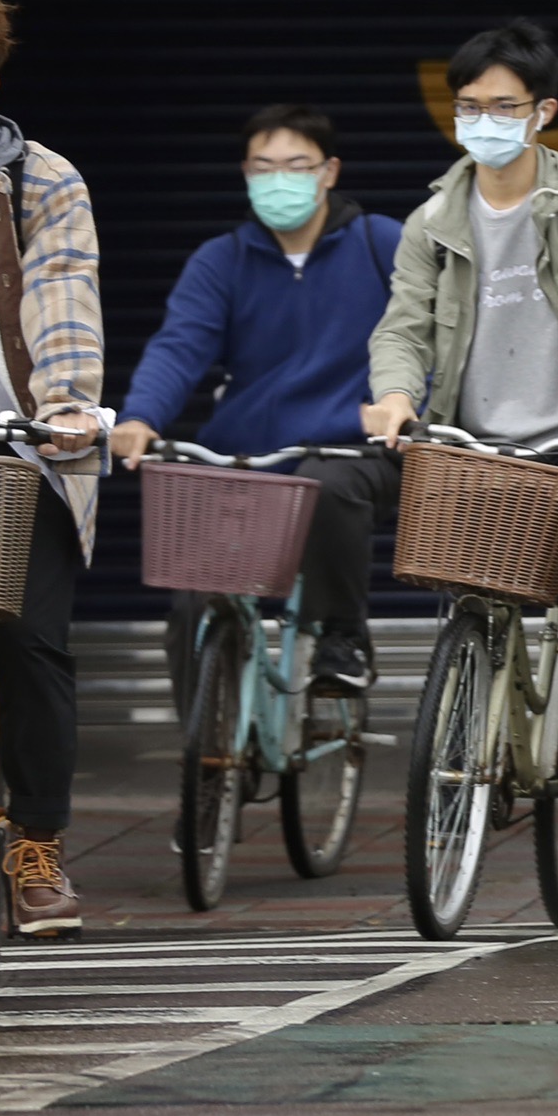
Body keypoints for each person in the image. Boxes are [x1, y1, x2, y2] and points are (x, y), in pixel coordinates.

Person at [340, 21, 558, 752]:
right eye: (469, 107)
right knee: (452, 565)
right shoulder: (432, 222)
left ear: (543, 112)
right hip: (474, 445)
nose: (483, 123)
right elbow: (401, 330)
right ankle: (473, 699)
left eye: (503, 106)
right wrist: (396, 395)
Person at [110, 105, 403, 708]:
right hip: (246, 453)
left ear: (329, 172)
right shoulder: (222, 260)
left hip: (352, 445)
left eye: (297, 166)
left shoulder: (383, 243)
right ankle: (206, 752)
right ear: (245, 172)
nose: (280, 180)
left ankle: (341, 637)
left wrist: (399, 404)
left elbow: (426, 335)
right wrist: (140, 418)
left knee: (330, 482)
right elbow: (179, 346)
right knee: (193, 594)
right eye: (264, 167)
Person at [0, 0, 108, 935]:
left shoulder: (36, 179)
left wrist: (71, 404)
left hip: (18, 448)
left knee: (31, 641)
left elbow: (63, 309)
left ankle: (36, 839)